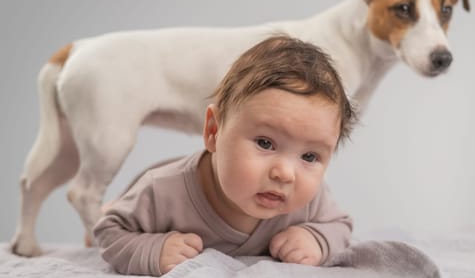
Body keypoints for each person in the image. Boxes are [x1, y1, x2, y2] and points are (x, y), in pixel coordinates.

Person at [93, 35, 356, 276]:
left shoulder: (309, 201)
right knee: (113, 213)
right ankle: (114, 202)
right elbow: (108, 231)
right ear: (213, 131)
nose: (285, 173)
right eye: (265, 143)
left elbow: (340, 225)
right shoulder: (161, 190)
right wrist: (152, 249)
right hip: (147, 194)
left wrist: (316, 239)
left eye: (309, 157)